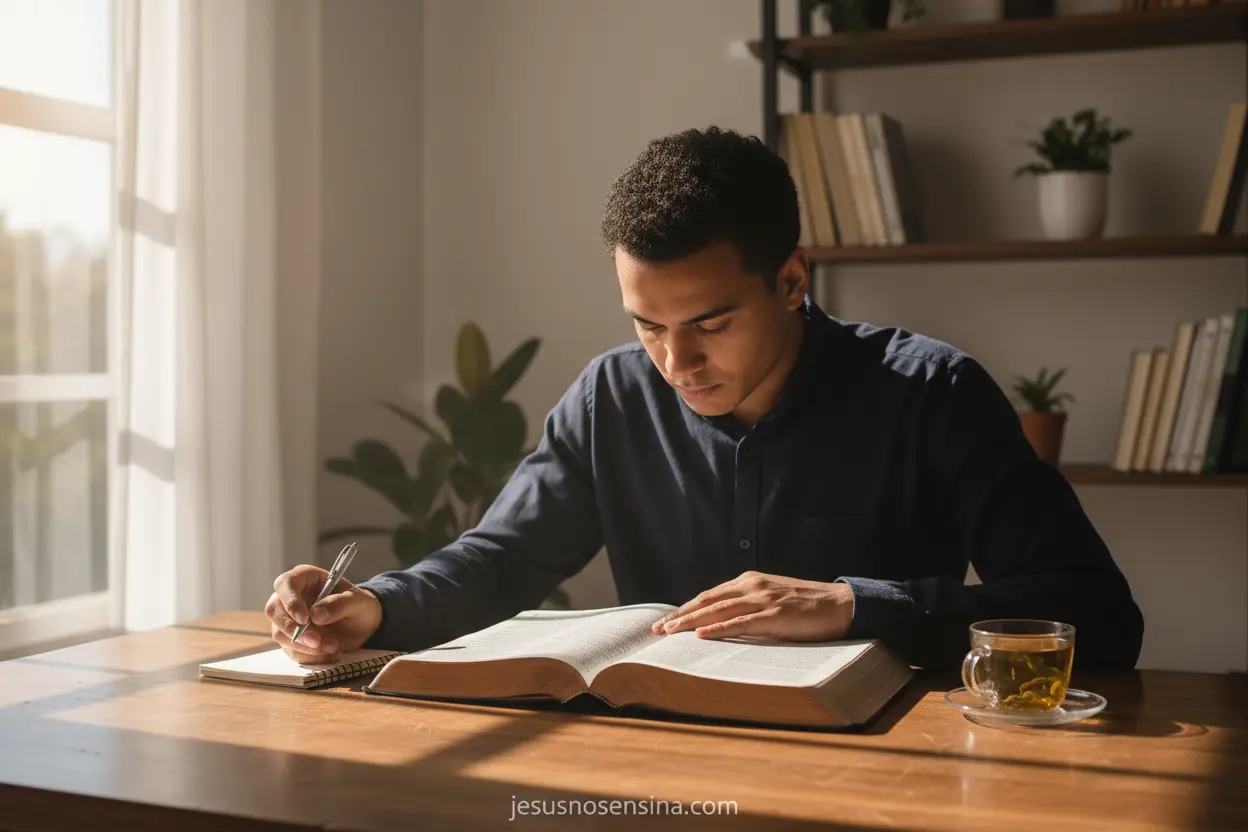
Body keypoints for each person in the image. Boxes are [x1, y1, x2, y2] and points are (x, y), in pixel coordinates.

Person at [266, 126, 1144, 671]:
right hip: (663, 775)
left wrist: (852, 604)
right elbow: (502, 558)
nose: (675, 361)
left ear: (793, 279)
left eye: (710, 323)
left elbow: (1098, 615)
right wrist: (375, 605)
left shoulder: (931, 392)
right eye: (647, 324)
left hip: (881, 777)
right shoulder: (612, 397)